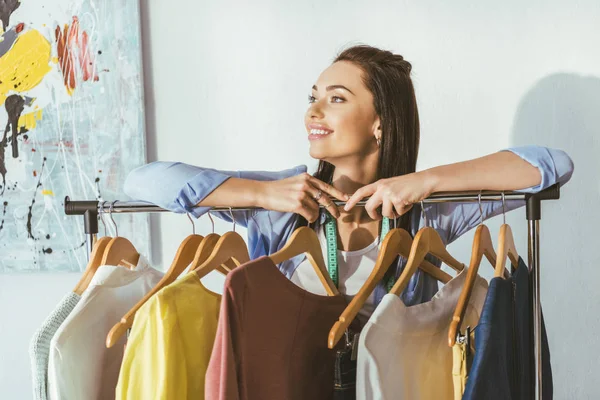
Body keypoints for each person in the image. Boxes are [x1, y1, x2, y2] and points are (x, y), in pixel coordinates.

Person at [124, 44, 573, 322]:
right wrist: (263, 194)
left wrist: (425, 181)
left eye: (336, 98)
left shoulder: (424, 211)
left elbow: (550, 164)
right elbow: (141, 181)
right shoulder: (280, 198)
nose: (313, 112)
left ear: (380, 123)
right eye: (313, 97)